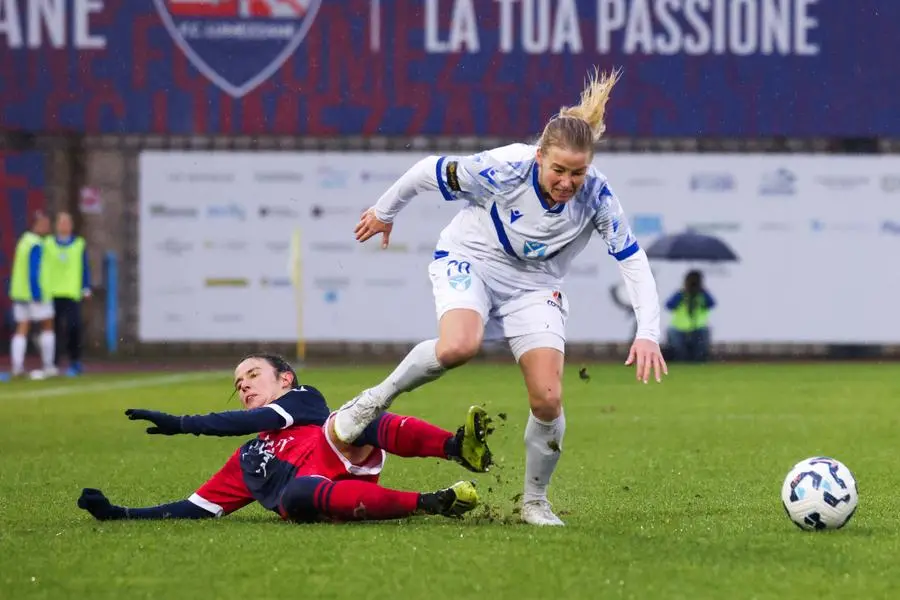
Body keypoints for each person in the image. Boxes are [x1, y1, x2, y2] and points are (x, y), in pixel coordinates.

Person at [331, 67, 667, 527]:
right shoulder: (504, 167)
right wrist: (385, 211)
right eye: (558, 170)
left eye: (578, 172)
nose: (568, 182)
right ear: (539, 159)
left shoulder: (598, 197)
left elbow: (633, 261)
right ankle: (372, 400)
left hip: (534, 285)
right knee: (458, 347)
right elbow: (426, 171)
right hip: (472, 259)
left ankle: (534, 501)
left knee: (548, 399)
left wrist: (648, 332)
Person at [77, 353, 491, 524]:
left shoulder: (305, 401)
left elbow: (240, 420)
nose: (244, 386)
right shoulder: (251, 457)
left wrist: (182, 423)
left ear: (286, 379)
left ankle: (457, 447)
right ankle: (435, 502)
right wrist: (120, 514)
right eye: (238, 383)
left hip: (346, 457)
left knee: (349, 421)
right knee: (294, 497)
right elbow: (195, 507)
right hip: (316, 496)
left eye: (253, 375)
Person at [7, 210, 56, 379]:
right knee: (47, 325)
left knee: (22, 328)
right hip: (35, 293)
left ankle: (17, 367)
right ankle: (49, 365)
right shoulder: (36, 243)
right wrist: (37, 292)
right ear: (37, 225)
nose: (47, 227)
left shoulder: (23, 241)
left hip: (20, 293)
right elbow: (33, 271)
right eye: (45, 224)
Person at [44, 211, 92, 376]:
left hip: (72, 293)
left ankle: (75, 361)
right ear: (56, 225)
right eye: (61, 222)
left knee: (74, 327)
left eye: (67, 222)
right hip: (52, 293)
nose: (64, 226)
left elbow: (84, 267)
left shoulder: (79, 244)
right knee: (53, 329)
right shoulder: (48, 243)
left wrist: (86, 287)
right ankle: (53, 363)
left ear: (71, 225)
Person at [665, 270, 715, 363]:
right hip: (679, 328)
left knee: (700, 353)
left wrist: (702, 291)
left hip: (698, 327)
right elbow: (669, 305)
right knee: (679, 353)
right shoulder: (680, 294)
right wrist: (682, 293)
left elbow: (711, 303)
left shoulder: (702, 295)